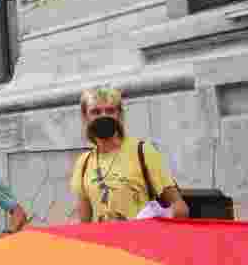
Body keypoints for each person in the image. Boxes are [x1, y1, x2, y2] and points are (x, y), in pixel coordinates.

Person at [71, 87, 189, 222]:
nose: (103, 116)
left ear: (119, 115)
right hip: (103, 242)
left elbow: (180, 208)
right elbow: (84, 222)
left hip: (139, 240)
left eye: (110, 111)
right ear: (86, 117)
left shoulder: (143, 151)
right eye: (95, 112)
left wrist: (152, 225)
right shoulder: (84, 162)